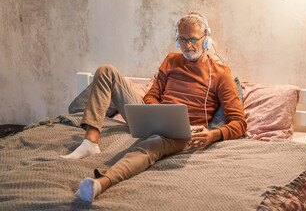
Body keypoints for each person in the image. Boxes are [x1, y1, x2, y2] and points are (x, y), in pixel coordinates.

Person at [61, 12, 247, 202]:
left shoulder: (221, 74)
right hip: (152, 117)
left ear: (206, 39)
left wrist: (212, 135)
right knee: (106, 71)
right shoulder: (171, 61)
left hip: (181, 132)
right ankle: (90, 143)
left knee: (152, 145)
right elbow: (152, 95)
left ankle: (101, 183)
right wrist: (154, 112)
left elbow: (239, 123)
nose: (188, 45)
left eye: (193, 39)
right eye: (182, 39)